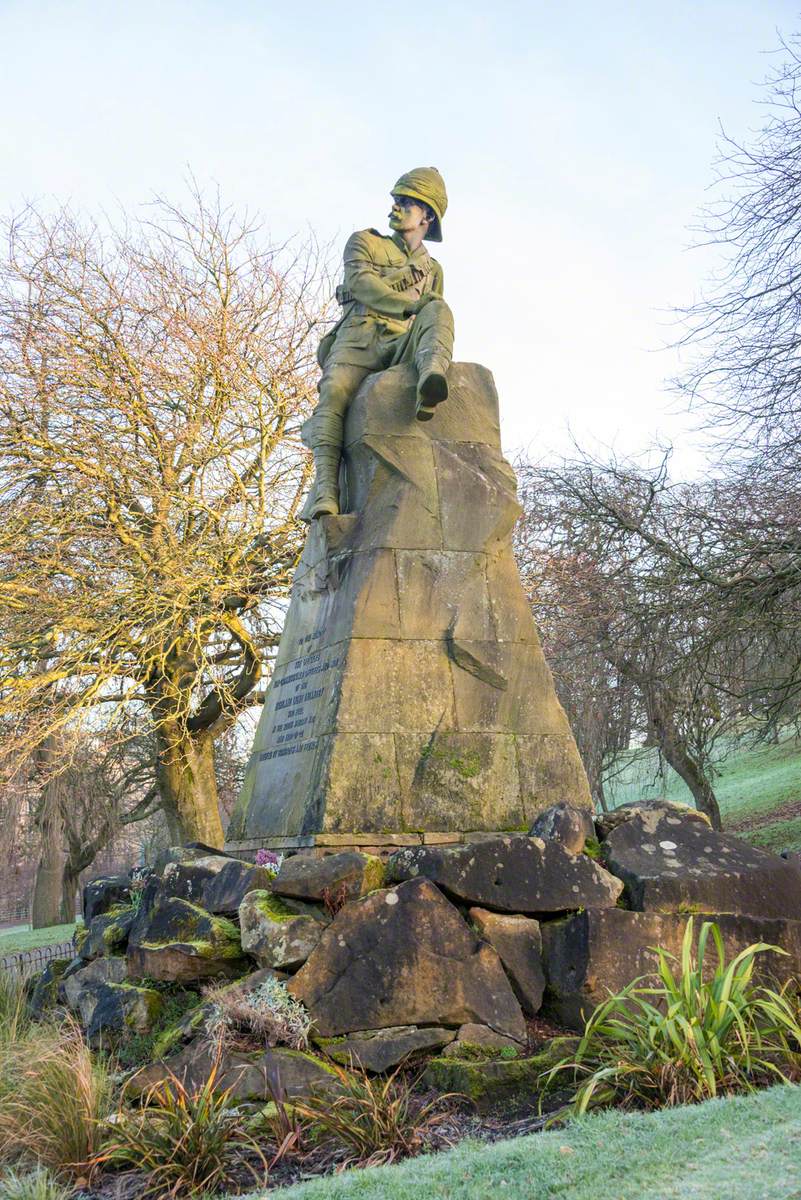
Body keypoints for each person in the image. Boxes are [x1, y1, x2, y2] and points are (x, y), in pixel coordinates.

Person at [301, 167, 455, 521]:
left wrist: (422, 312)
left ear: (427, 215)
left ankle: (430, 379)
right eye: (395, 201)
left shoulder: (433, 269)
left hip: (401, 346)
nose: (395, 208)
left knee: (440, 309)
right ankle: (326, 488)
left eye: (405, 203)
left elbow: (428, 317)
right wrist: (408, 304)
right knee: (334, 392)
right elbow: (362, 283)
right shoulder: (365, 242)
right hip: (359, 339)